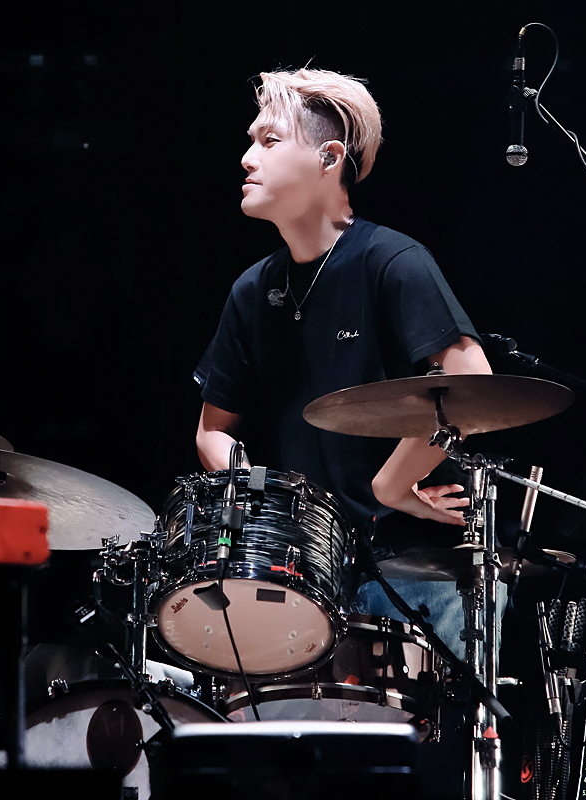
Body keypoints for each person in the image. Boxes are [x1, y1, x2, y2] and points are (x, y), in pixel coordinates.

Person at [192, 68, 492, 653]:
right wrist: (265, 500)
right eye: (251, 141)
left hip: (419, 566)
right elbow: (211, 431)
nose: (248, 158)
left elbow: (471, 381)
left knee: (425, 716)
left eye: (270, 140)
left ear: (329, 158)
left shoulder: (393, 261)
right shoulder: (252, 291)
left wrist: (392, 486)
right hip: (309, 572)